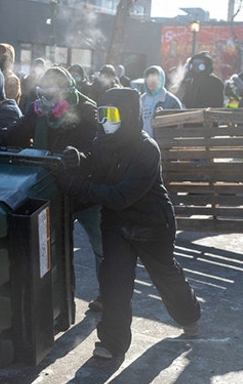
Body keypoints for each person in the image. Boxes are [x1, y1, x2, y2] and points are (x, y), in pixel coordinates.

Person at [54, 87, 201, 359]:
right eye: (101, 114)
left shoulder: (147, 149)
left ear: (129, 115)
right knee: (114, 282)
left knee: (165, 275)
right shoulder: (102, 142)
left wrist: (77, 185)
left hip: (152, 225)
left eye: (111, 114)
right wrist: (79, 159)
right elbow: (96, 165)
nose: (104, 121)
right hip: (116, 224)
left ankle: (189, 315)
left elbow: (121, 195)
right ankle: (112, 342)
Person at [0, 66, 105, 311]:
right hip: (52, 189)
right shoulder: (38, 111)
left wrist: (81, 157)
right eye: (42, 95)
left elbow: (97, 148)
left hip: (85, 191)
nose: (44, 102)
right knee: (56, 251)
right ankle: (63, 303)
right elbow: (15, 131)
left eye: (51, 96)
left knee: (102, 245)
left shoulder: (86, 110)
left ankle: (109, 295)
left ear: (66, 93)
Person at [140, 65, 183, 136]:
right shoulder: (141, 99)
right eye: (149, 78)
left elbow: (179, 126)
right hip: (143, 144)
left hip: (163, 144)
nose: (151, 81)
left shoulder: (171, 101)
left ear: (161, 80)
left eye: (155, 78)